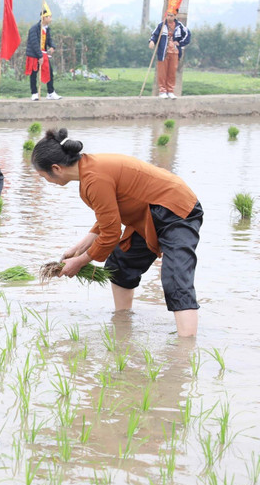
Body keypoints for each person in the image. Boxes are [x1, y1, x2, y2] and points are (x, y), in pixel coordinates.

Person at [30, 128, 203, 337]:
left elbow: (111, 234)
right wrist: (78, 248)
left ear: (56, 168)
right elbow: (108, 220)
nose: (45, 181)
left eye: (42, 176)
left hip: (175, 208)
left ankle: (185, 351)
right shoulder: (89, 170)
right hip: (146, 212)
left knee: (175, 277)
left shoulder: (94, 178)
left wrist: (81, 261)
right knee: (121, 264)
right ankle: (122, 323)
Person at [149, 6, 191, 99]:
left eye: (171, 16)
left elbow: (188, 35)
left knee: (172, 72)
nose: (169, 17)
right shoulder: (161, 25)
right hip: (163, 52)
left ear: (175, 16)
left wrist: (180, 43)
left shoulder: (180, 26)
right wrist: (152, 41)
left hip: (174, 52)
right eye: (168, 15)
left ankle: (170, 91)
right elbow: (154, 35)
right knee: (162, 72)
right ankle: (162, 90)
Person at [25, 4, 61, 101]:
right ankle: (34, 93)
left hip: (43, 54)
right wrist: (39, 56)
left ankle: (50, 92)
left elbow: (49, 40)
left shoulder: (47, 29)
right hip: (34, 54)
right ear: (44, 17)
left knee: (49, 72)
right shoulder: (34, 29)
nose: (51, 19)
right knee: (34, 74)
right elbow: (34, 43)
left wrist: (53, 46)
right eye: (49, 17)